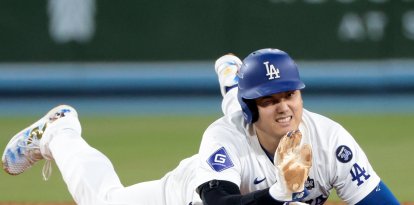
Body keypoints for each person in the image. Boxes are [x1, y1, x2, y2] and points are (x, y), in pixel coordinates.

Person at [2, 48, 399, 205]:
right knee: (104, 200)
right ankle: (60, 131)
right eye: (268, 99)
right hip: (187, 194)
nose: (284, 108)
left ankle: (232, 82)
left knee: (252, 121)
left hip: (244, 135)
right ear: (252, 105)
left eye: (289, 95)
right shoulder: (222, 137)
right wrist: (280, 191)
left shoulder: (330, 141)